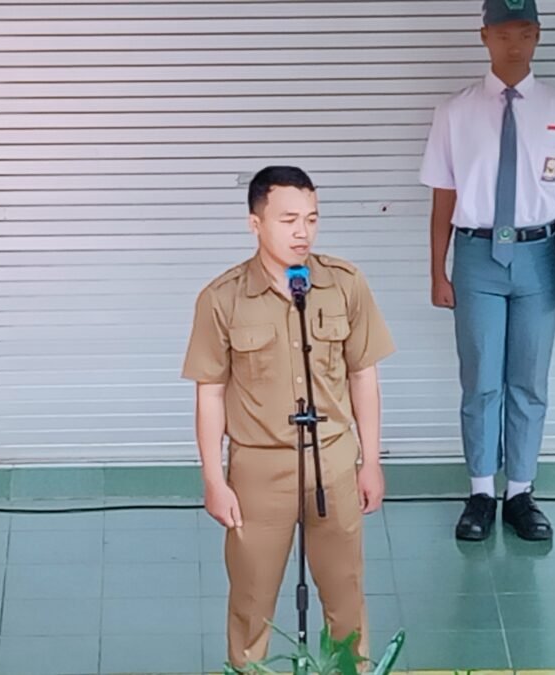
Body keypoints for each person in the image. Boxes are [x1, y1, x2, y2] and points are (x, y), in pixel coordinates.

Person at [181, 166, 396, 668]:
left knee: (346, 598)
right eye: (288, 220)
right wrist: (214, 479)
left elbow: (363, 375)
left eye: (312, 219)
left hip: (335, 462)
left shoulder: (344, 284)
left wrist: (370, 461)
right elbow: (209, 393)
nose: (303, 232)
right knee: (252, 603)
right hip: (259, 469)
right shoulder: (223, 298)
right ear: (255, 224)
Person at [420, 0, 555, 542]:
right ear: (484, 37)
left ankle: (520, 491)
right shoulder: (456, 112)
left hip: (540, 254)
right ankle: (480, 491)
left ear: (538, 37)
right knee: (480, 379)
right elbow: (444, 198)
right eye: (502, 33)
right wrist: (437, 271)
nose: (512, 44)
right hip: (476, 257)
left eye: (523, 33)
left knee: (528, 380)